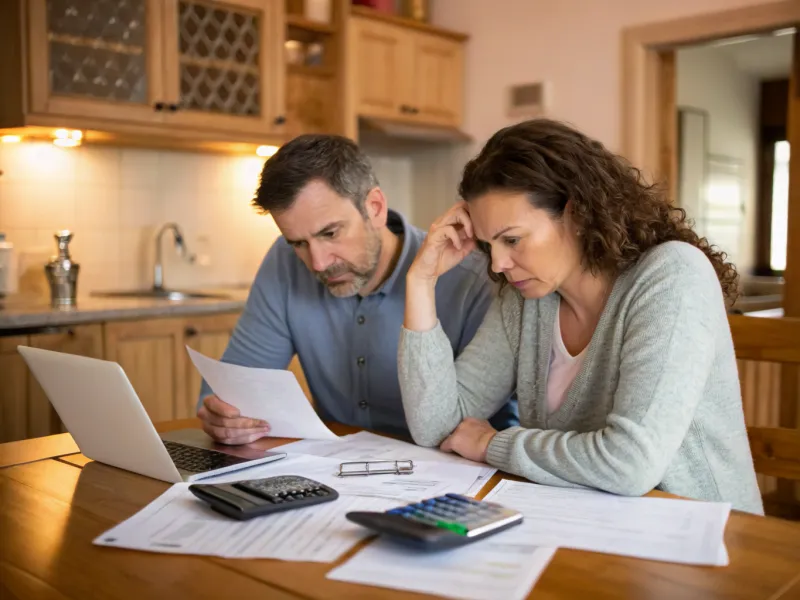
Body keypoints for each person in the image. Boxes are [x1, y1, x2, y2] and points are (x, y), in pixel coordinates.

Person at [398, 119, 764, 515]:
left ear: (576, 212)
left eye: (512, 239)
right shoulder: (528, 297)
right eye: (489, 245)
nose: (500, 263)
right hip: (590, 525)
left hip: (707, 534)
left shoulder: (673, 275)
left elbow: (630, 465)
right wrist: (421, 281)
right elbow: (436, 426)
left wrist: (492, 445)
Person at [197, 134, 518, 445]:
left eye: (330, 233)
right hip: (335, 469)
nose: (318, 263)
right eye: (298, 243)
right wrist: (224, 415)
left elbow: (487, 422)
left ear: (375, 207)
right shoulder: (284, 261)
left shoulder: (473, 277)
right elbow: (234, 387)